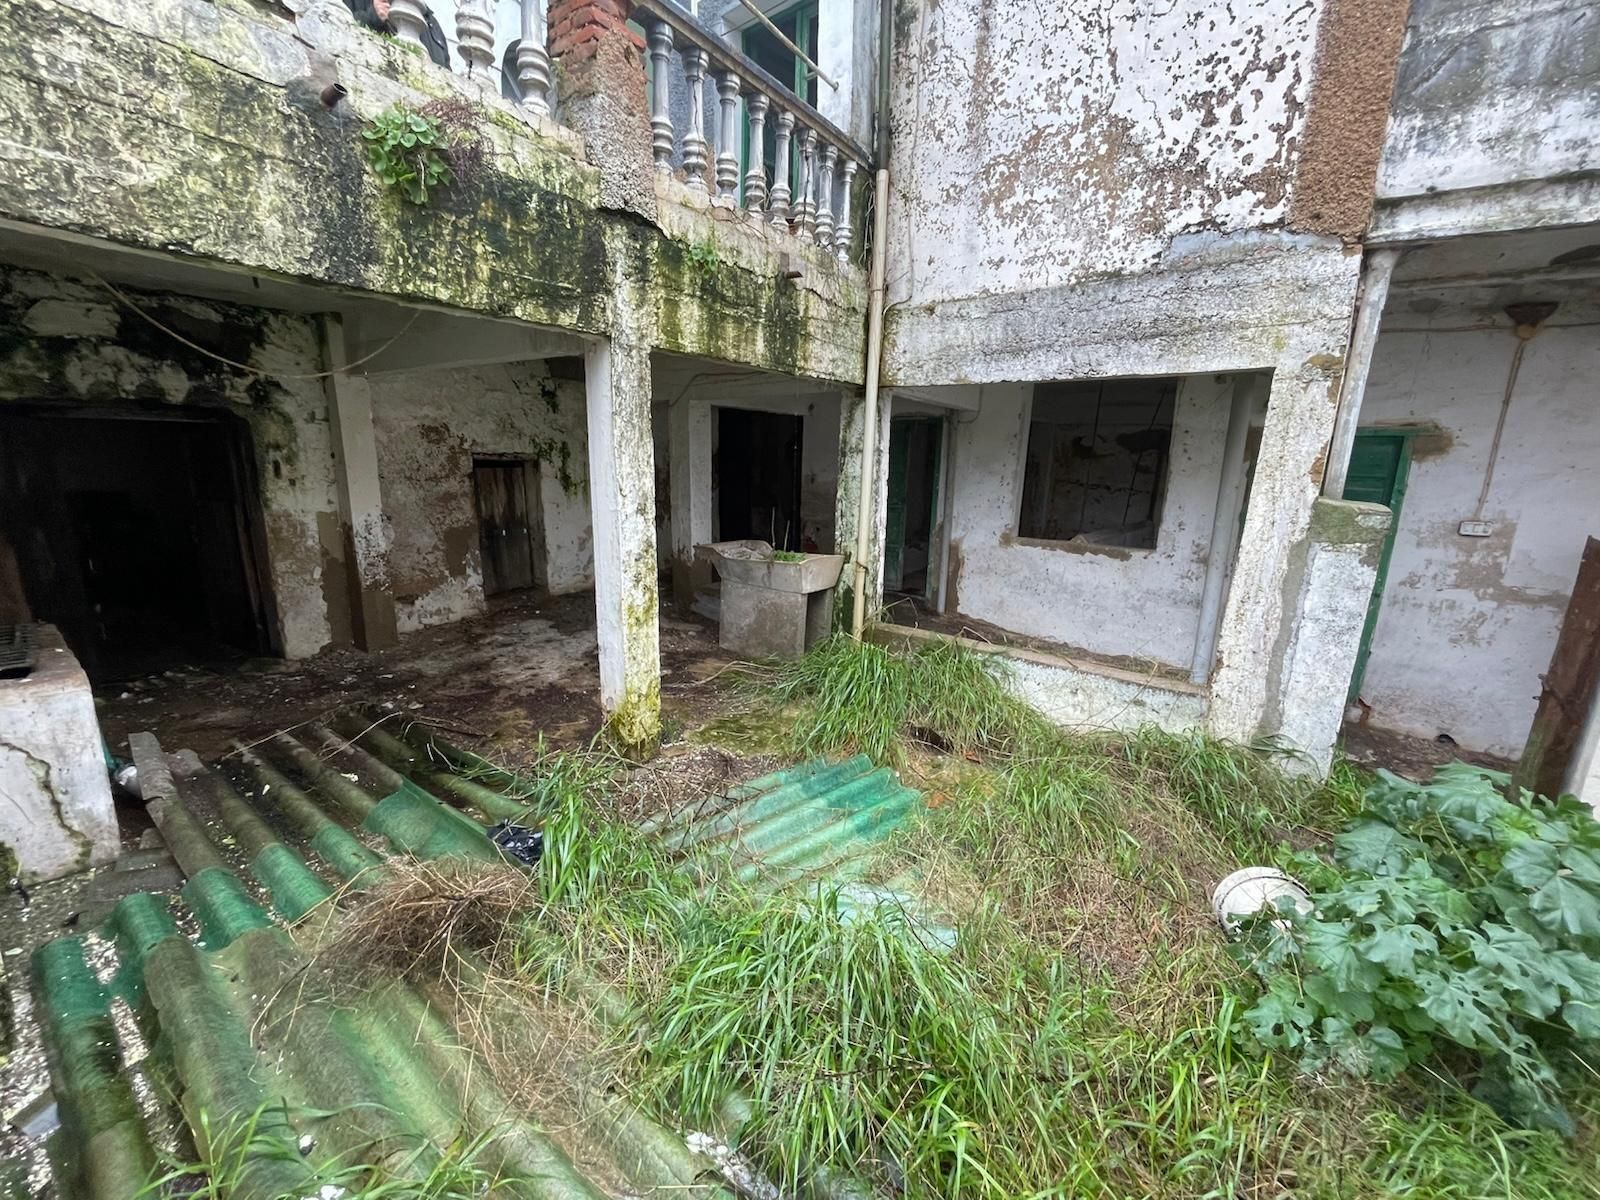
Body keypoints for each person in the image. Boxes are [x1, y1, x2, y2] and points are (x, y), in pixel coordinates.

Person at [345, 0, 453, 69]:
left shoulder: (431, 23)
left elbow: (446, 71)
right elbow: (339, 34)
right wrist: (373, 16)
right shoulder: (360, 3)